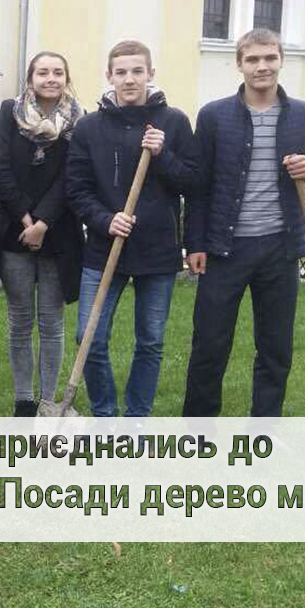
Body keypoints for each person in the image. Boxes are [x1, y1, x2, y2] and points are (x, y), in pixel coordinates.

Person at [183, 28, 305, 417]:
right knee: (209, 346)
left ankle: (264, 431)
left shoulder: (304, 115)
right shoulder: (214, 116)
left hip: (280, 250)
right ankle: (198, 432)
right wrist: (195, 243)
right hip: (225, 249)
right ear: (239, 64)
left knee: (275, 348)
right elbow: (199, 186)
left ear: (281, 60)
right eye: (252, 59)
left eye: (269, 57)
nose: (262, 66)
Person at [67, 40, 201, 417]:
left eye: (137, 71)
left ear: (150, 74)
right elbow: (77, 189)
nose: (129, 79)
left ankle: (136, 420)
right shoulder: (89, 127)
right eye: (121, 72)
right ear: (109, 76)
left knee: (151, 341)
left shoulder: (173, 122)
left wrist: (163, 155)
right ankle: (105, 415)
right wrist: (105, 219)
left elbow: (192, 181)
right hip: (104, 248)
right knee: (89, 338)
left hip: (157, 250)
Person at [0, 51, 85, 416]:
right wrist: (27, 220)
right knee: (20, 320)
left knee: (52, 322)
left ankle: (49, 400)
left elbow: (73, 175)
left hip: (59, 234)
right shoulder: (9, 113)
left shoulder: (79, 120)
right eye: (43, 72)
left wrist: (43, 222)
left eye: (58, 72)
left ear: (66, 78)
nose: (51, 78)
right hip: (14, 230)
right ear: (31, 79)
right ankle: (24, 401)